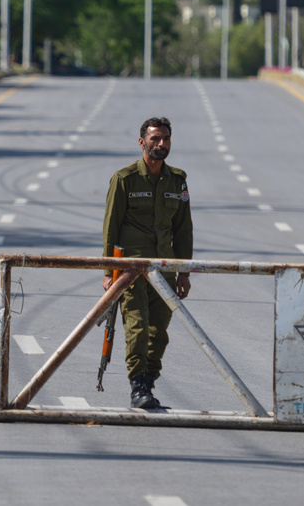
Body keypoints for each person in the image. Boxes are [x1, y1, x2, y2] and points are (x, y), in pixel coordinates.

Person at [102, 117, 193, 409]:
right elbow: (111, 228)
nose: (161, 144)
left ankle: (149, 380)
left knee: (159, 333)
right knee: (137, 327)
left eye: (165, 138)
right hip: (131, 271)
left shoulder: (177, 181)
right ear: (142, 142)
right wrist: (108, 271)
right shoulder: (124, 179)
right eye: (155, 139)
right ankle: (137, 385)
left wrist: (183, 272)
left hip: (164, 271)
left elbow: (183, 230)